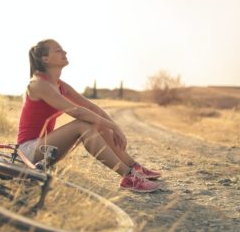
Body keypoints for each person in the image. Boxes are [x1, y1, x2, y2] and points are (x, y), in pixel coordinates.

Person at [17, 39, 161, 192]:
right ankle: (128, 177)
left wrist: (113, 127)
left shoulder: (60, 85)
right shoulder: (38, 84)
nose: (64, 52)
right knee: (82, 125)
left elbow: (91, 106)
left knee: (97, 123)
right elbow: (77, 111)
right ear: (45, 59)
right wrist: (113, 126)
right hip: (28, 151)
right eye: (58, 50)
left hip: (47, 151)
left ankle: (134, 167)